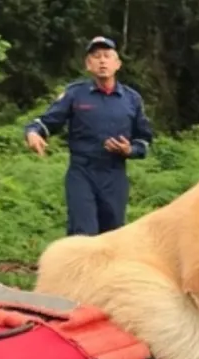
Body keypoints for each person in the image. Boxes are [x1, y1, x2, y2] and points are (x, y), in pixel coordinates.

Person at [24, 37, 155, 236]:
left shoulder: (132, 99)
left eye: (107, 56)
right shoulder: (75, 94)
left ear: (117, 64)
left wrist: (129, 150)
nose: (102, 61)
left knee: (112, 236)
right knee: (83, 233)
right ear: (88, 64)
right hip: (81, 172)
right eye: (96, 56)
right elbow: (46, 122)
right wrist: (33, 132)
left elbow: (144, 141)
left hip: (114, 175)